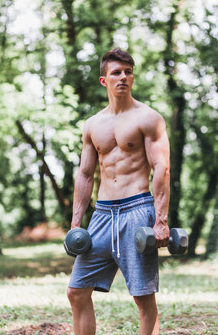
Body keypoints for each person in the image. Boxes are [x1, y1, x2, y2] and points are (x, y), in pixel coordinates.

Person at [67, 48, 170, 335]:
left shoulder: (149, 119)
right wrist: (76, 223)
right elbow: (86, 174)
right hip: (101, 216)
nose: (123, 77)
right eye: (116, 72)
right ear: (104, 80)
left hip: (137, 210)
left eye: (128, 72)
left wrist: (160, 220)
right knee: (76, 292)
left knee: (142, 296)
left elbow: (162, 169)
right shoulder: (93, 125)